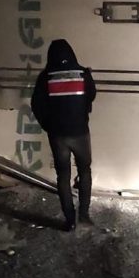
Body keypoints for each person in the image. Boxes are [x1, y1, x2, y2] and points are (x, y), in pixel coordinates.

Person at [31, 39, 97, 231]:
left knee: (63, 176)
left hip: (58, 136)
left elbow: (36, 104)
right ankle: (84, 215)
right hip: (80, 133)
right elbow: (91, 95)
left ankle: (70, 221)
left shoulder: (46, 77)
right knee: (84, 172)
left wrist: (47, 125)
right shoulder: (83, 74)